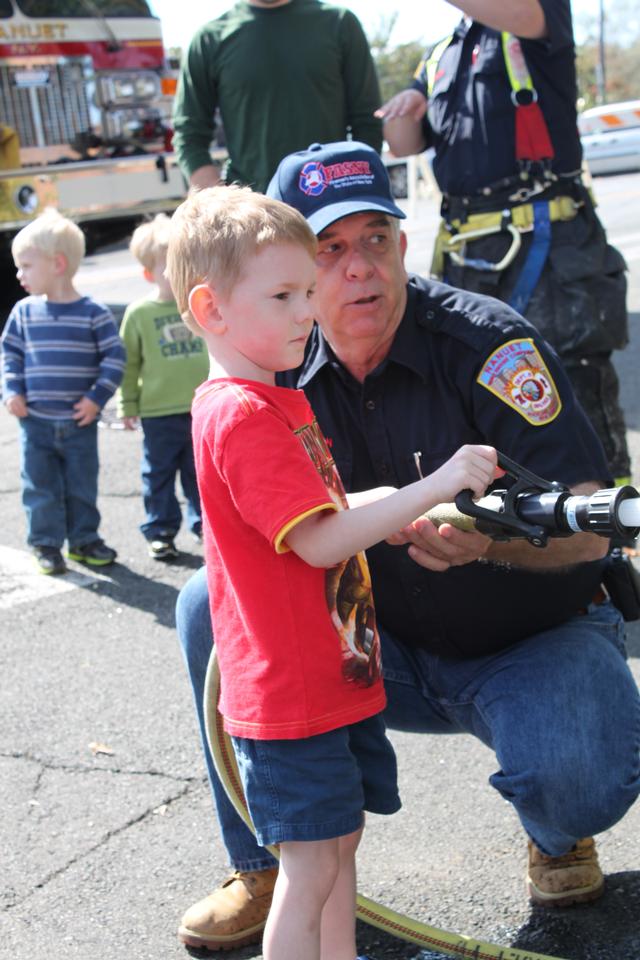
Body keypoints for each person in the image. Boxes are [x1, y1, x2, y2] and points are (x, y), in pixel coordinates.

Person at [174, 141, 640, 952]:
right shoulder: (271, 369)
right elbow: (304, 537)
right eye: (328, 251)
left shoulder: (490, 348)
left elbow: (595, 530)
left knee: (581, 771)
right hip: (366, 647)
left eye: (376, 240)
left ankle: (558, 834)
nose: (358, 270)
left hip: (520, 644)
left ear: (402, 241)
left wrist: (491, 546)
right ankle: (266, 863)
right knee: (205, 604)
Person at [167, 183, 499, 960]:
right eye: (284, 294)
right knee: (311, 865)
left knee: (338, 849)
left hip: (330, 678)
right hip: (294, 697)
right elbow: (320, 543)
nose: (307, 312)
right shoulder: (244, 414)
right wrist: (436, 482)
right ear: (212, 310)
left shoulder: (274, 400)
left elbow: (326, 505)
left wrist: (390, 501)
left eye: (306, 292)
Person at [375, 0, 631, 484]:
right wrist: (402, 113)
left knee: (572, 384)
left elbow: (519, 13)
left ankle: (611, 532)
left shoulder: (534, 15)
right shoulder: (442, 53)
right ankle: (511, 525)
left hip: (546, 242)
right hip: (471, 249)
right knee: (479, 389)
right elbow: (404, 144)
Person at [1, 208, 125, 576]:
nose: (19, 275)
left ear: (57, 263)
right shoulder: (23, 313)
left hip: (78, 421)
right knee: (39, 487)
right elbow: (9, 355)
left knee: (81, 486)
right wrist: (11, 390)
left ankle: (84, 540)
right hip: (35, 421)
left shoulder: (93, 313)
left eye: (25, 266)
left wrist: (96, 398)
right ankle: (46, 544)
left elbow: (114, 358)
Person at [172, 0, 382, 194]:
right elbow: (189, 136)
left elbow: (368, 122)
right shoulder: (209, 39)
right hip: (254, 212)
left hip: (332, 209)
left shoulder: (339, 23)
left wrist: (356, 195)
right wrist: (224, 205)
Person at [117, 214, 209, 560]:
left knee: (199, 473)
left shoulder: (198, 305)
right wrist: (128, 405)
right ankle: (160, 529)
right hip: (158, 411)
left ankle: (204, 526)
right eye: (168, 266)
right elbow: (129, 364)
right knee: (158, 474)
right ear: (149, 273)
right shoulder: (139, 313)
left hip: (199, 407)